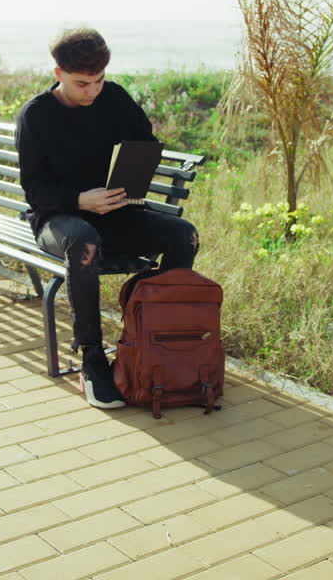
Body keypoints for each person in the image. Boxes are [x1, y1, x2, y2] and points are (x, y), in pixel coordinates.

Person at [14, 28, 199, 409]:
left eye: (98, 81)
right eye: (82, 84)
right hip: (59, 220)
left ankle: (151, 337)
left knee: (184, 235)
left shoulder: (114, 97)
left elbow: (144, 140)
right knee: (84, 242)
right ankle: (92, 360)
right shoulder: (35, 116)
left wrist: (130, 174)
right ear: (58, 73)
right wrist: (81, 200)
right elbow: (35, 192)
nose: (93, 91)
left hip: (116, 213)